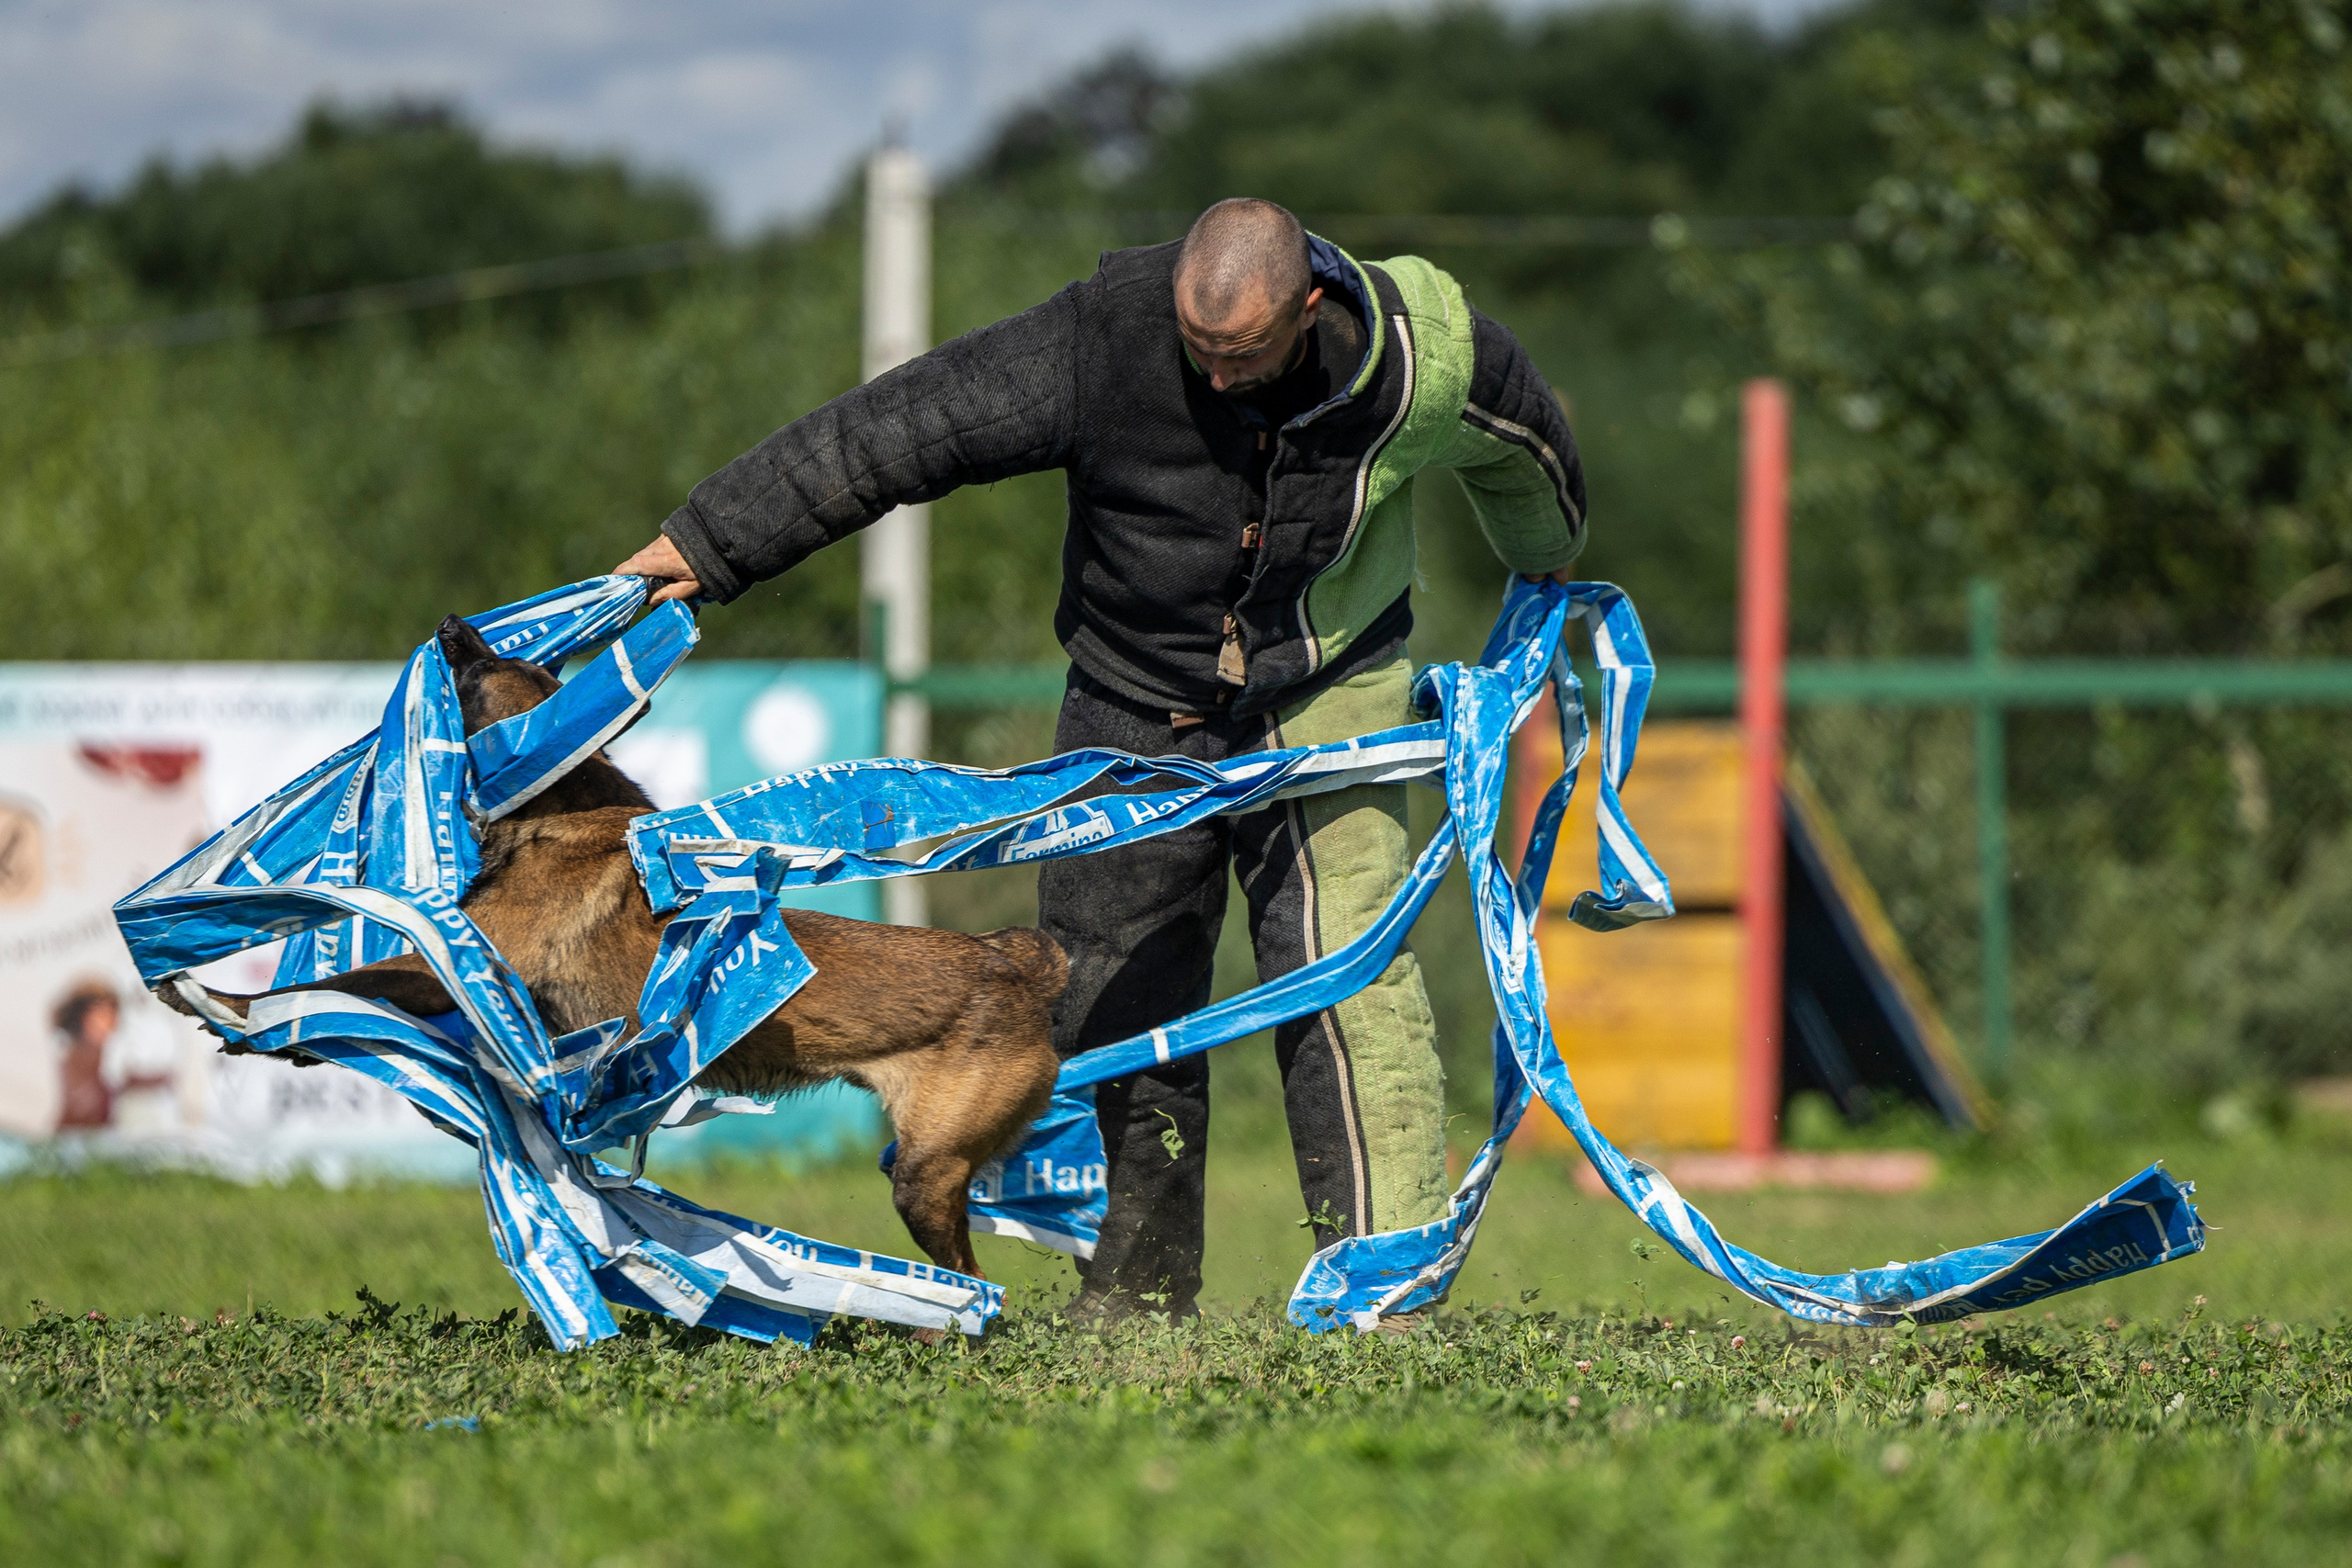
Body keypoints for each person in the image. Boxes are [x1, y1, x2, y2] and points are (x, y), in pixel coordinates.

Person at [616, 197, 1585, 1324]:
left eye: (1245, 356)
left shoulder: (1420, 352)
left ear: (1310, 306)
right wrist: (709, 542)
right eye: (1198, 353)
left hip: (1333, 693)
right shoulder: (1099, 339)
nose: (1217, 381)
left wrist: (1548, 567)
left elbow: (1529, 451)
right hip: (1132, 701)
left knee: (1351, 982)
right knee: (1111, 1004)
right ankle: (1135, 1305)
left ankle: (1385, 1304)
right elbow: (896, 432)